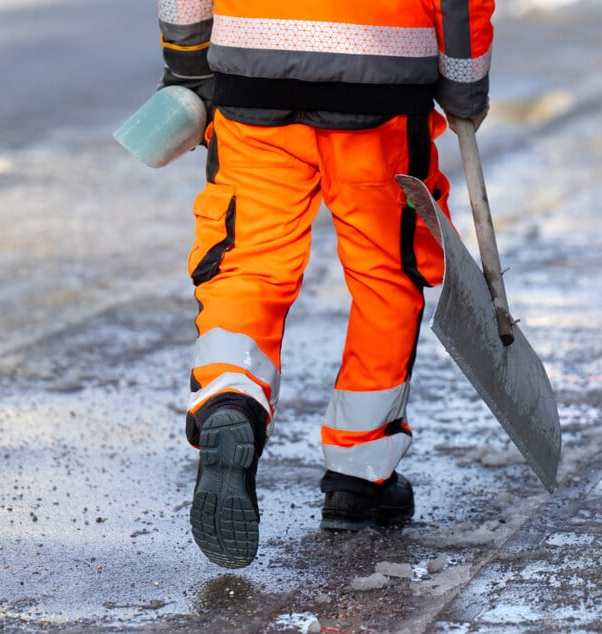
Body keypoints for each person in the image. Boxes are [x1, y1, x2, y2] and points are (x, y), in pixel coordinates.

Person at [157, 0, 494, 568]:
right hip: (382, 83)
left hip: (252, 74)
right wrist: (464, 90)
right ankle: (359, 475)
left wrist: (189, 63)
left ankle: (229, 398)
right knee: (386, 273)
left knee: (247, 261)